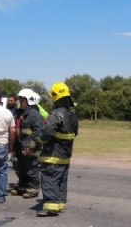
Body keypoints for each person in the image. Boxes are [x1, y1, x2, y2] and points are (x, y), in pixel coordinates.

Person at [37, 82, 79, 217]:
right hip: (65, 156)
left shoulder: (56, 114)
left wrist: (40, 141)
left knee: (50, 179)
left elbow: (47, 131)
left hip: (52, 155)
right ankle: (60, 203)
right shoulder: (72, 115)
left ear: (55, 97)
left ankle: (51, 206)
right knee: (61, 179)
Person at [10, 88, 43, 198]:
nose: (20, 102)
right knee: (19, 167)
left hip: (29, 147)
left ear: (29, 101)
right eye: (19, 99)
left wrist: (30, 146)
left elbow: (38, 132)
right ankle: (22, 186)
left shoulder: (35, 115)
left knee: (31, 168)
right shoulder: (19, 113)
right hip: (19, 145)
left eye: (22, 100)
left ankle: (32, 188)